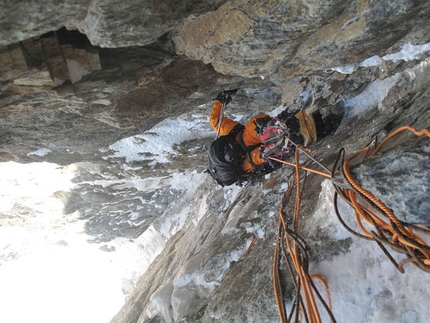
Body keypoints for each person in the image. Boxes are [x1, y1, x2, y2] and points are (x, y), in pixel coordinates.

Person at [207, 89, 341, 185]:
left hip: (274, 129)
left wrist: (221, 100)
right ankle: (324, 123)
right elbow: (262, 155)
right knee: (281, 139)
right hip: (279, 145)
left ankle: (315, 119)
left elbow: (214, 120)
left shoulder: (231, 134)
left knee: (267, 131)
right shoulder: (246, 164)